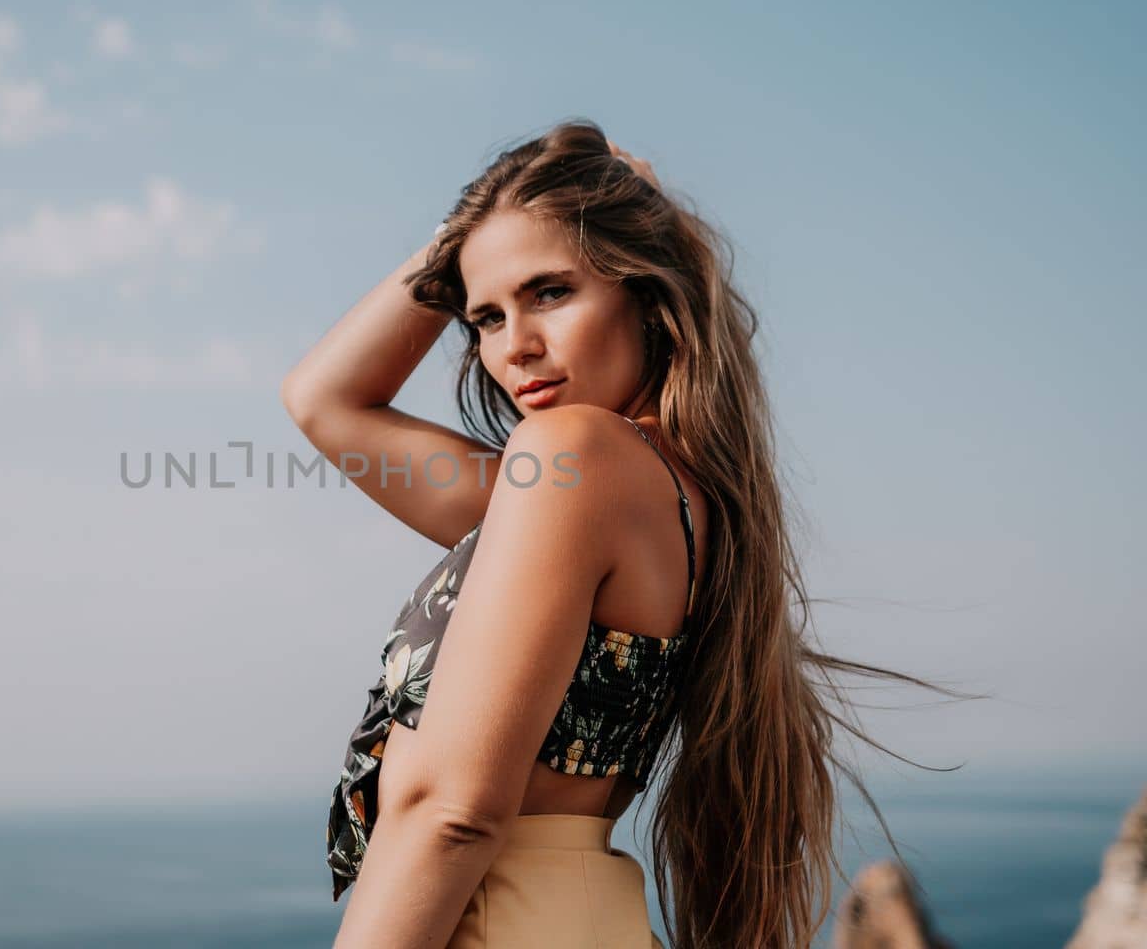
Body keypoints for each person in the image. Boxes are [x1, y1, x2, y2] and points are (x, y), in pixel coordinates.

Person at [281, 119, 967, 949]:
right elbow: (327, 402)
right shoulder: (652, 494)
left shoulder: (572, 459)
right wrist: (475, 228)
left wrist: (491, 223)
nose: (515, 349)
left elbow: (453, 813)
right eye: (486, 318)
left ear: (648, 296)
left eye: (550, 292)